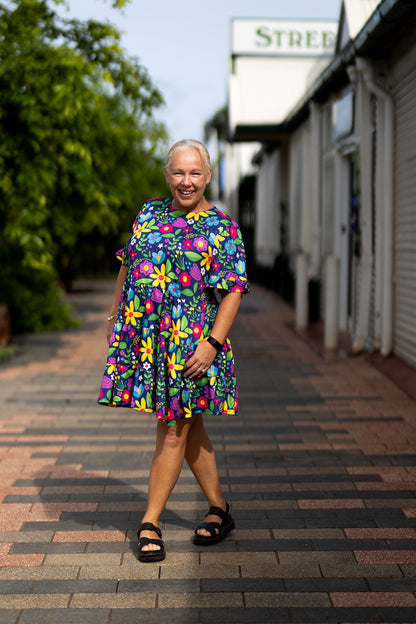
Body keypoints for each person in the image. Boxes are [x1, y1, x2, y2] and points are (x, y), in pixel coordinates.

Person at [98, 139, 249, 562]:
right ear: (167, 176)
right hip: (147, 341)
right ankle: (220, 508)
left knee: (173, 429)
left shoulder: (222, 227)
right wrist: (115, 320)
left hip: (191, 347)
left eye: (195, 173)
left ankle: (150, 522)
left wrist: (212, 344)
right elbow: (128, 263)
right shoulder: (149, 212)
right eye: (179, 173)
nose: (186, 181)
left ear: (207, 176)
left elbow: (234, 290)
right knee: (189, 425)